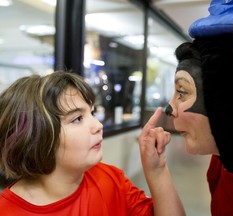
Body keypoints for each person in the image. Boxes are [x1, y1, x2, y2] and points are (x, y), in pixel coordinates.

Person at [140, 14, 233, 216]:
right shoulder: (221, 161)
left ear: (226, 100)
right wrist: (157, 171)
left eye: (181, 92)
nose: (169, 108)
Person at [0, 71, 185, 216]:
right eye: (77, 118)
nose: (98, 125)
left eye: (92, 113)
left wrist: (157, 171)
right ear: (37, 137)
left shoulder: (111, 180)